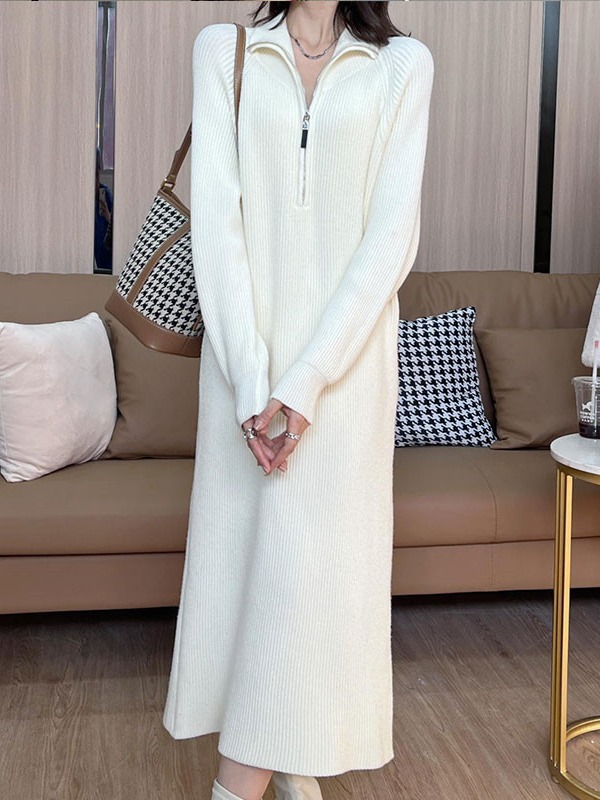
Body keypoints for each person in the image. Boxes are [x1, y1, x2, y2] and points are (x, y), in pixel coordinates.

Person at [162, 2, 434, 799]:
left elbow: (391, 239)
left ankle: (257, 777)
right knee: (257, 585)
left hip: (343, 387)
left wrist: (305, 383)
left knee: (308, 595)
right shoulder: (227, 53)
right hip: (244, 382)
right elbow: (217, 228)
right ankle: (287, 770)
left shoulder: (403, 66)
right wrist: (255, 383)